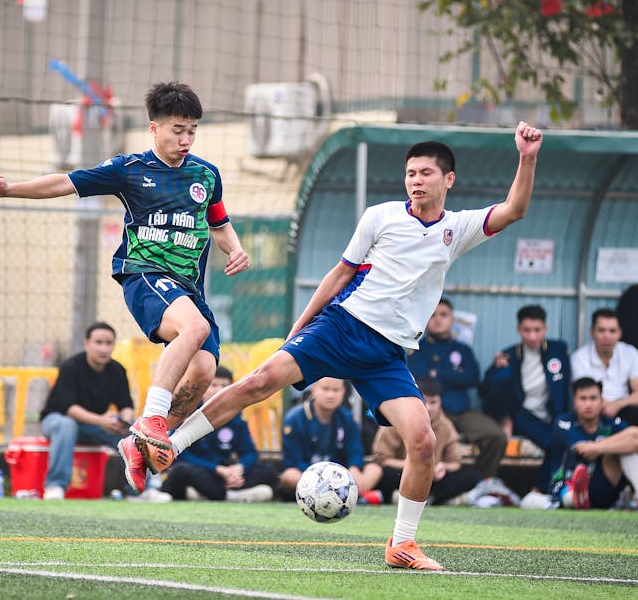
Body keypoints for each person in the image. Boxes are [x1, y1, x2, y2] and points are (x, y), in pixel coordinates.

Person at [123, 122, 544, 570]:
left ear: (448, 180)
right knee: (259, 381)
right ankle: (168, 445)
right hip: (341, 326)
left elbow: (515, 209)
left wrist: (527, 155)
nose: (416, 181)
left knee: (422, 442)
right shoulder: (380, 216)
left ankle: (402, 544)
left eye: (425, 173)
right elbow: (339, 275)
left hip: (386, 354)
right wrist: (299, 327)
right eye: (410, 174)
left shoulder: (458, 228)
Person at [0, 81, 251, 493]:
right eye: (178, 129)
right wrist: (10, 189)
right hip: (144, 275)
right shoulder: (130, 169)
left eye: (192, 130)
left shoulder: (206, 175)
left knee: (205, 371)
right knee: (196, 330)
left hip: (188, 289)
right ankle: (151, 418)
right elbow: (66, 182)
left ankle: (139, 445)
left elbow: (218, 223)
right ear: (154, 128)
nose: (186, 138)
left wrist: (235, 249)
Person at [38, 321, 170, 502]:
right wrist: (102, 421)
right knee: (66, 425)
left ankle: (142, 490)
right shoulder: (71, 367)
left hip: (95, 426)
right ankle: (55, 486)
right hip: (58, 420)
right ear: (86, 344)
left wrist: (125, 421)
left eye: (108, 343)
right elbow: (69, 409)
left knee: (136, 430)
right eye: (98, 342)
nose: (104, 348)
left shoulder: (117, 370)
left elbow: (125, 405)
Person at [363, 377, 514, 507]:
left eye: (433, 402)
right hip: (402, 473)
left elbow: (455, 462)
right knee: (384, 473)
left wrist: (441, 467)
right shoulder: (396, 419)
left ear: (440, 402)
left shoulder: (446, 426)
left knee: (472, 476)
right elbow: (381, 459)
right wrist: (416, 465)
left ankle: (427, 499)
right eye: (424, 401)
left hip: (433, 478)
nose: (428, 408)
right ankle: (419, 498)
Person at [407, 297, 507, 481]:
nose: (438, 319)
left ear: (452, 319)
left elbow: (473, 378)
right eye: (433, 315)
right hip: (432, 412)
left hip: (461, 411)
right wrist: (455, 375)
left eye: (444, 315)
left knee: (496, 436)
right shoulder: (417, 348)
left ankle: (480, 482)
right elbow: (423, 380)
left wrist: (438, 373)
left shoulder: (463, 349)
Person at [481, 304, 570, 493]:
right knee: (556, 444)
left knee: (565, 440)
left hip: (554, 415)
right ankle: (538, 491)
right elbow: (487, 390)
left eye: (537, 330)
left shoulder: (558, 350)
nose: (532, 336)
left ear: (545, 329)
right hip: (523, 415)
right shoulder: (509, 355)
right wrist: (497, 370)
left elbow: (566, 383)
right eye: (527, 330)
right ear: (518, 330)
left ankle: (557, 490)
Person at [161, 366, 275, 502]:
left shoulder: (235, 416)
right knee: (179, 472)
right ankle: (232, 496)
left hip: (224, 475)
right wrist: (216, 469)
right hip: (201, 470)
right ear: (203, 388)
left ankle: (206, 495)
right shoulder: (187, 412)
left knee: (268, 472)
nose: (218, 390)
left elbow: (249, 452)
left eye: (224, 386)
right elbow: (179, 455)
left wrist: (239, 468)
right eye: (213, 385)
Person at [546, 377, 638, 511]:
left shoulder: (609, 422)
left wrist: (598, 446)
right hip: (568, 483)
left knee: (627, 449)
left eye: (593, 398)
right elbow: (585, 450)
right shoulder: (564, 422)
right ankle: (578, 500)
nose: (588, 404)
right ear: (574, 402)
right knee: (569, 494)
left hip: (601, 482)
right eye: (583, 398)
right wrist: (630, 432)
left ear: (601, 401)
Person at [277, 377, 372, 500]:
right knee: (289, 476)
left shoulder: (347, 418)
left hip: (339, 478)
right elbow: (293, 461)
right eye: (325, 389)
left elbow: (355, 452)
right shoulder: (294, 419)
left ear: (343, 392)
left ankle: (358, 496)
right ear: (314, 389)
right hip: (308, 476)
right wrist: (322, 477)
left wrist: (354, 468)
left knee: (374, 469)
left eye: (336, 390)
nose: (330, 395)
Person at [570, 308, 638, 426]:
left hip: (624, 411)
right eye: (601, 330)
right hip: (593, 413)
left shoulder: (630, 353)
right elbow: (585, 397)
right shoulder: (579, 357)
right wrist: (631, 402)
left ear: (620, 333)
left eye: (612, 331)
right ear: (592, 332)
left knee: (634, 414)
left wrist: (619, 404)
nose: (607, 336)